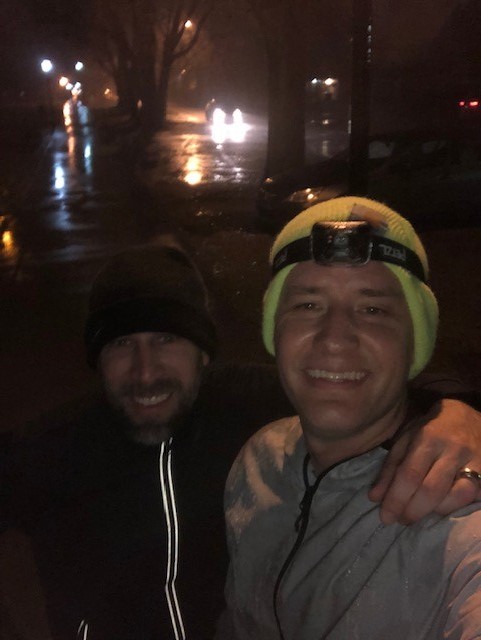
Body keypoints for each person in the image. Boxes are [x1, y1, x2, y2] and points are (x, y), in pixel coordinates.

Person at [1, 241, 481, 640]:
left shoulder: (248, 402)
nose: (145, 372)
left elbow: (364, 378)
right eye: (121, 344)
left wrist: (459, 411)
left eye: (167, 340)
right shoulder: (51, 449)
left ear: (203, 353)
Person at [218, 196, 481, 640]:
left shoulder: (457, 515)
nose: (335, 338)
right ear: (274, 331)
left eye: (372, 309)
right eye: (308, 305)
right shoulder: (257, 461)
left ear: (415, 342)